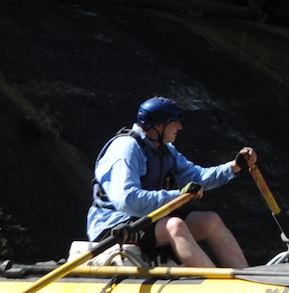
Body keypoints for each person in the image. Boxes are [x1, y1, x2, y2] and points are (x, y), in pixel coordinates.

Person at [88, 97, 255, 268]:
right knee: (175, 226)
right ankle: (215, 285)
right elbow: (128, 201)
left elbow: (196, 177)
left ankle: (247, 279)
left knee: (210, 220)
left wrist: (234, 167)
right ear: (159, 126)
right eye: (175, 123)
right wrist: (178, 195)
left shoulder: (165, 149)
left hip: (146, 219)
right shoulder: (126, 149)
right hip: (114, 226)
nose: (180, 127)